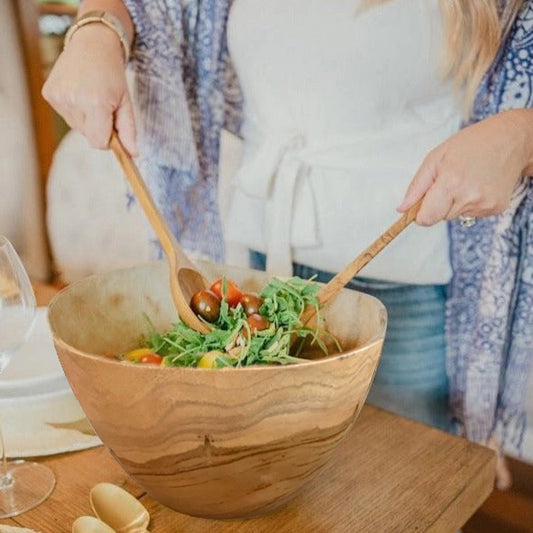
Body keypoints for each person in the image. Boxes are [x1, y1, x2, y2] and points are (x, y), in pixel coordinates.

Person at [43, 0, 533, 489]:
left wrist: (520, 136)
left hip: (409, 286)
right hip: (264, 265)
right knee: (283, 492)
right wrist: (97, 29)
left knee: (406, 494)